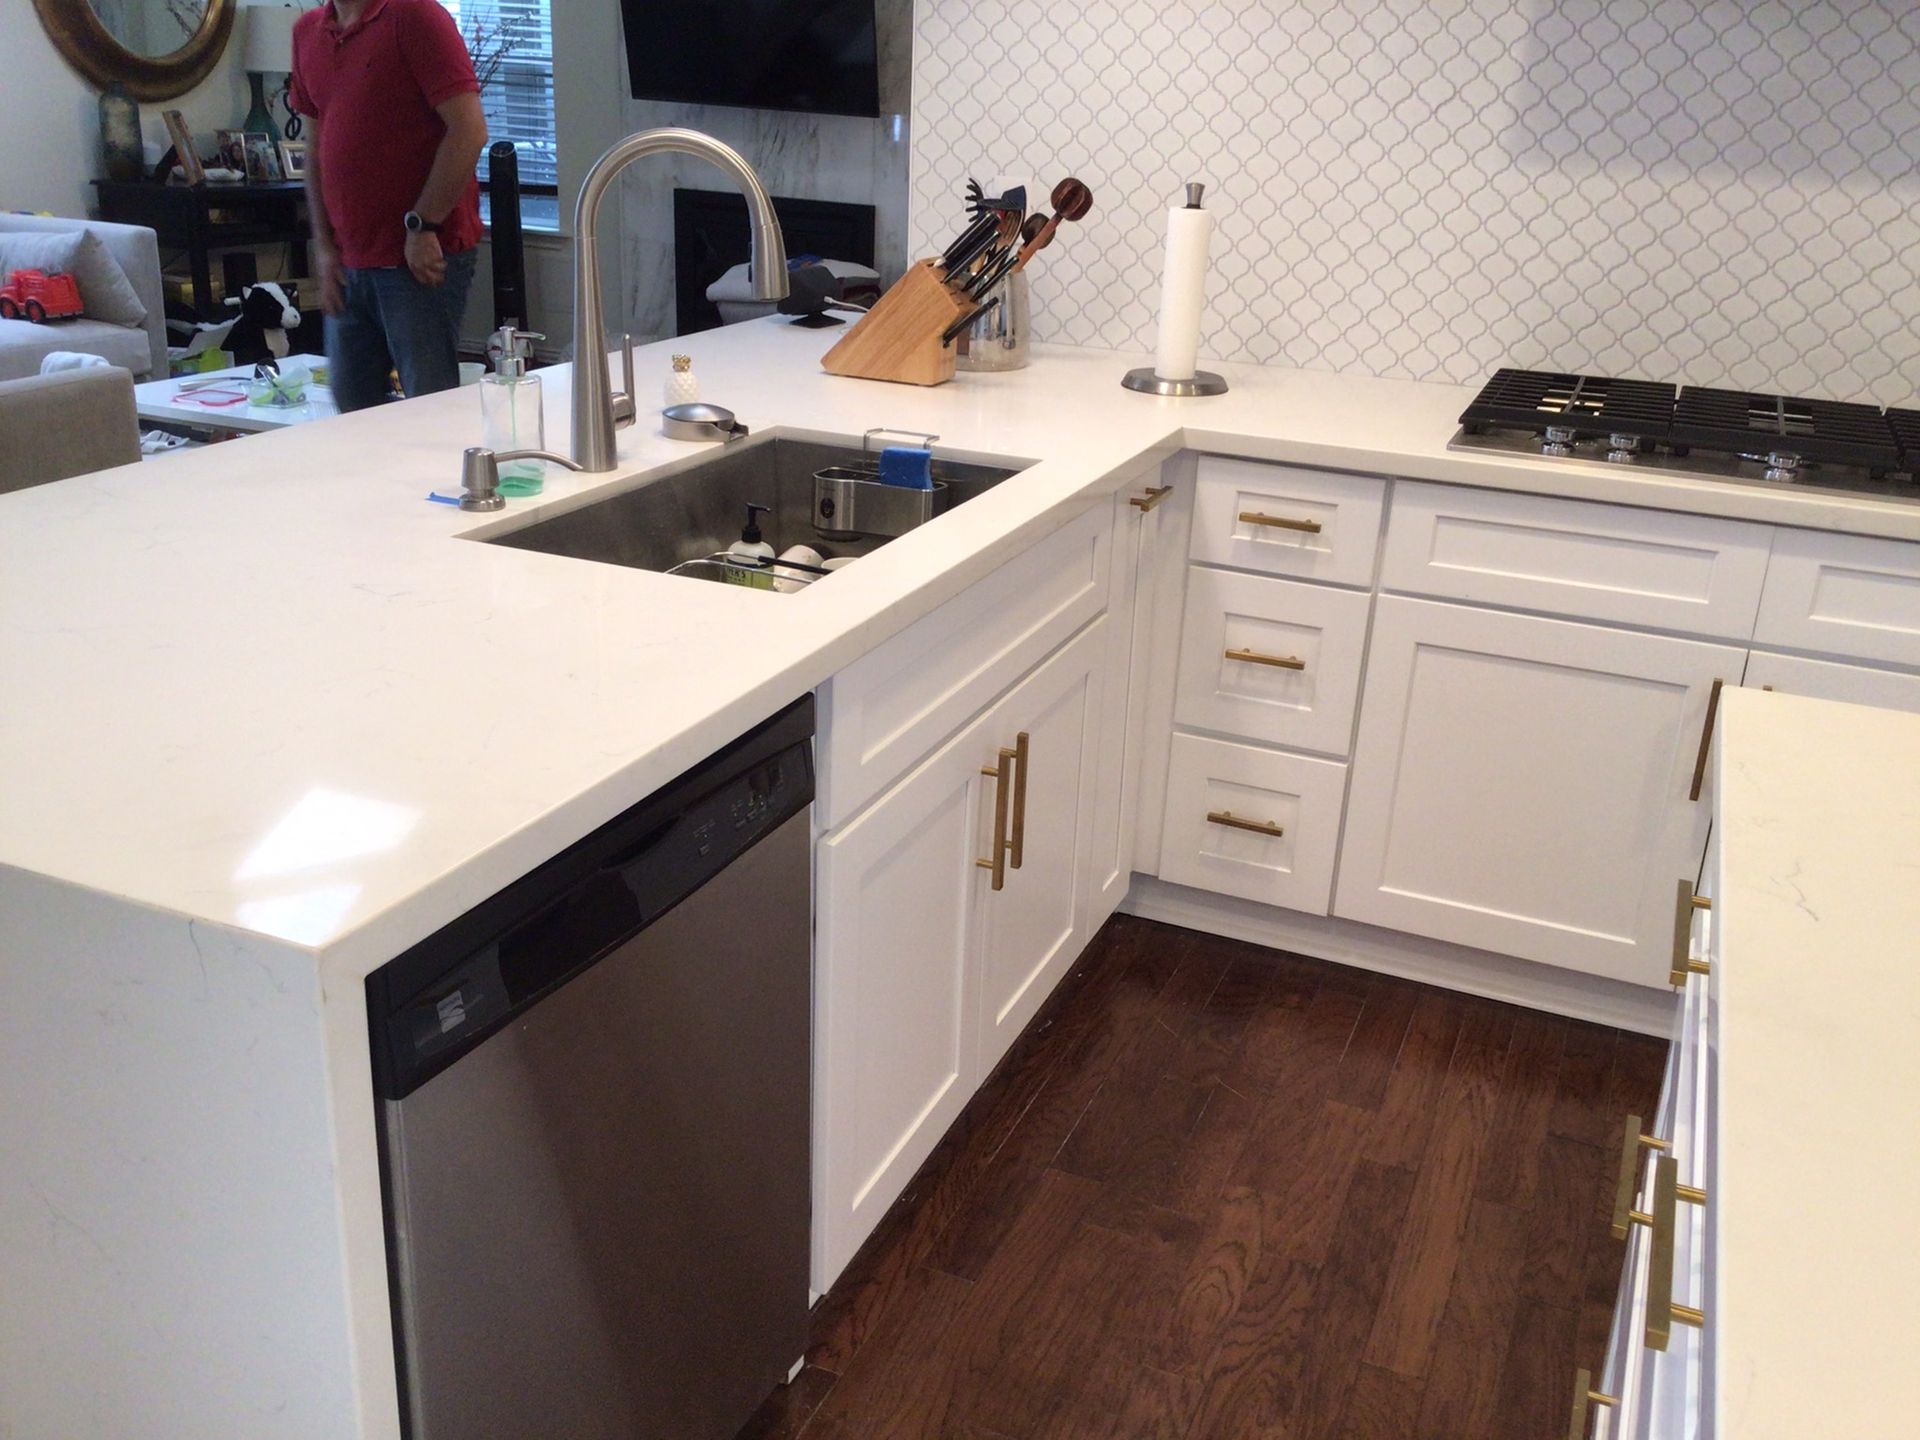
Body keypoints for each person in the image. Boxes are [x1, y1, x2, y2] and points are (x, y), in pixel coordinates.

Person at [288, 0, 488, 412]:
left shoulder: (415, 16)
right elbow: (316, 151)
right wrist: (324, 249)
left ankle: (439, 479)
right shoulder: (308, 31)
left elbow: (468, 130)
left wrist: (423, 225)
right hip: (349, 261)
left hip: (419, 257)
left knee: (427, 405)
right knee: (351, 407)